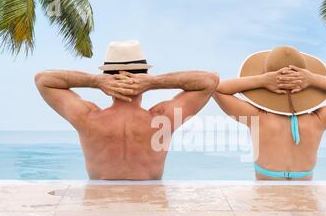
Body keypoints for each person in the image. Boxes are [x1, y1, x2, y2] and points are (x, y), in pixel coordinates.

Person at [35, 40, 219, 180]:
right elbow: (210, 81)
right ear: (145, 76)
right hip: (150, 205)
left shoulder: (87, 118)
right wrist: (155, 83)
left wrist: (94, 81)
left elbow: (43, 80)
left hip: (100, 205)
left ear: (107, 78)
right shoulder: (163, 119)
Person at [213, 46, 326, 180]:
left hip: (267, 199)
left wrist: (262, 81)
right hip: (306, 200)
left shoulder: (257, 118)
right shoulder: (317, 120)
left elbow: (216, 89)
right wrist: (312, 79)